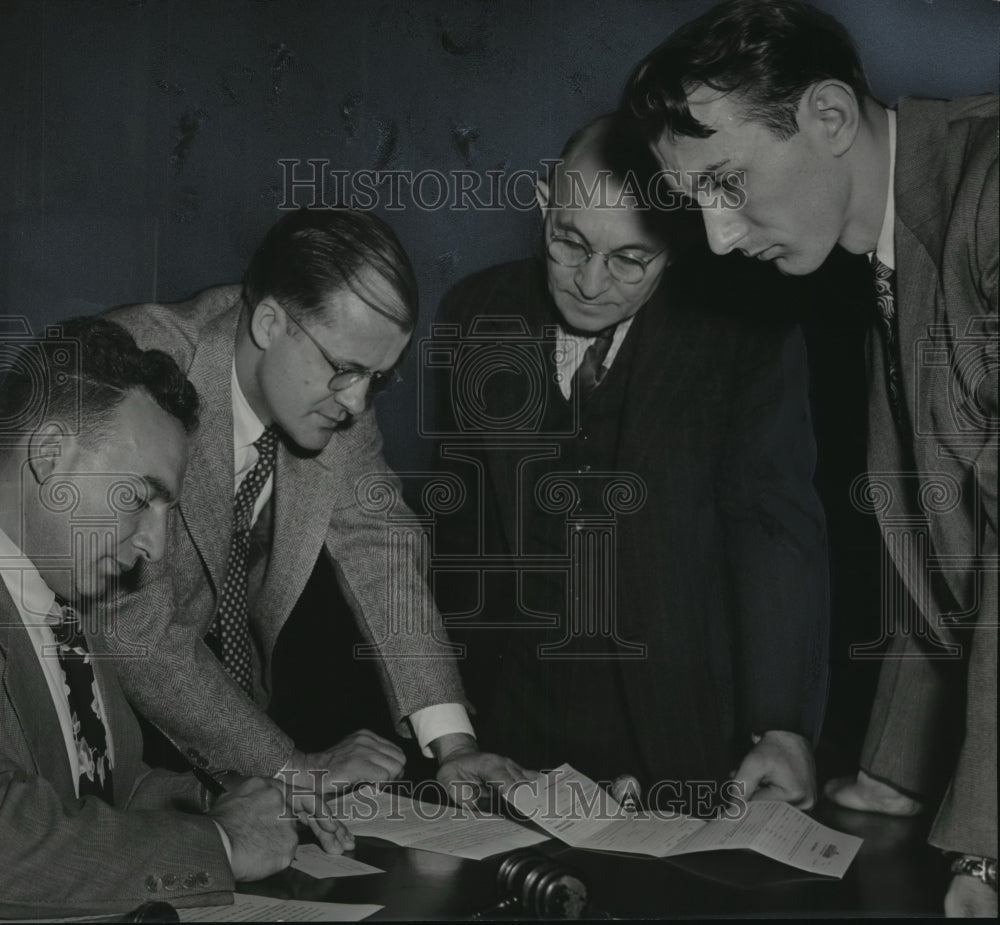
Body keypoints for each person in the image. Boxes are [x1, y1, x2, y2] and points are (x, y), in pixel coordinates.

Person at [622, 0, 997, 915]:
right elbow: (940, 530)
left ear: (829, 116)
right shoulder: (888, 251)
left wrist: (985, 844)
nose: (718, 236)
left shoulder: (994, 193)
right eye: (697, 201)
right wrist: (895, 772)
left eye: (728, 183)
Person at [430, 112, 829, 810]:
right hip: (513, 734)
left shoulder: (744, 332)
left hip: (686, 738)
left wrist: (781, 724)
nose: (590, 282)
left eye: (629, 259)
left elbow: (772, 535)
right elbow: (460, 538)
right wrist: (453, 729)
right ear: (543, 205)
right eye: (570, 243)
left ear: (677, 244)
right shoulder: (474, 315)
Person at [102, 208, 524, 807]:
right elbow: (134, 630)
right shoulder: (137, 375)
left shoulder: (333, 390)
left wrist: (453, 744)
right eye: (346, 370)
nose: (356, 403)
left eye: (377, 378)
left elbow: (383, 550)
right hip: (95, 726)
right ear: (270, 322)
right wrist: (292, 767)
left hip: (223, 725)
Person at [0, 317, 300, 918]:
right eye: (138, 498)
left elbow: (102, 790)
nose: (156, 548)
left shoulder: (69, 595)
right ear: (50, 454)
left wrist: (222, 800)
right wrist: (220, 843)